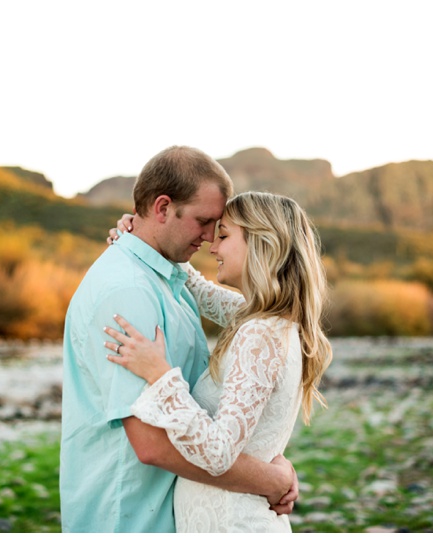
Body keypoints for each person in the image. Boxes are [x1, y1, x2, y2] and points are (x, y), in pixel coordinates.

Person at [60, 146, 297, 533]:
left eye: (220, 229)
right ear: (163, 207)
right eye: (204, 222)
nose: (209, 240)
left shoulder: (173, 282)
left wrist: (273, 463)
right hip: (131, 518)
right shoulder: (129, 293)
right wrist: (271, 480)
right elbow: (152, 444)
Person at [103, 191, 333, 532]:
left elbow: (219, 452)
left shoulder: (261, 335)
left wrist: (160, 374)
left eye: (224, 236)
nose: (213, 246)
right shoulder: (265, 321)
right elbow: (201, 290)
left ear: (262, 245)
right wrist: (147, 239)